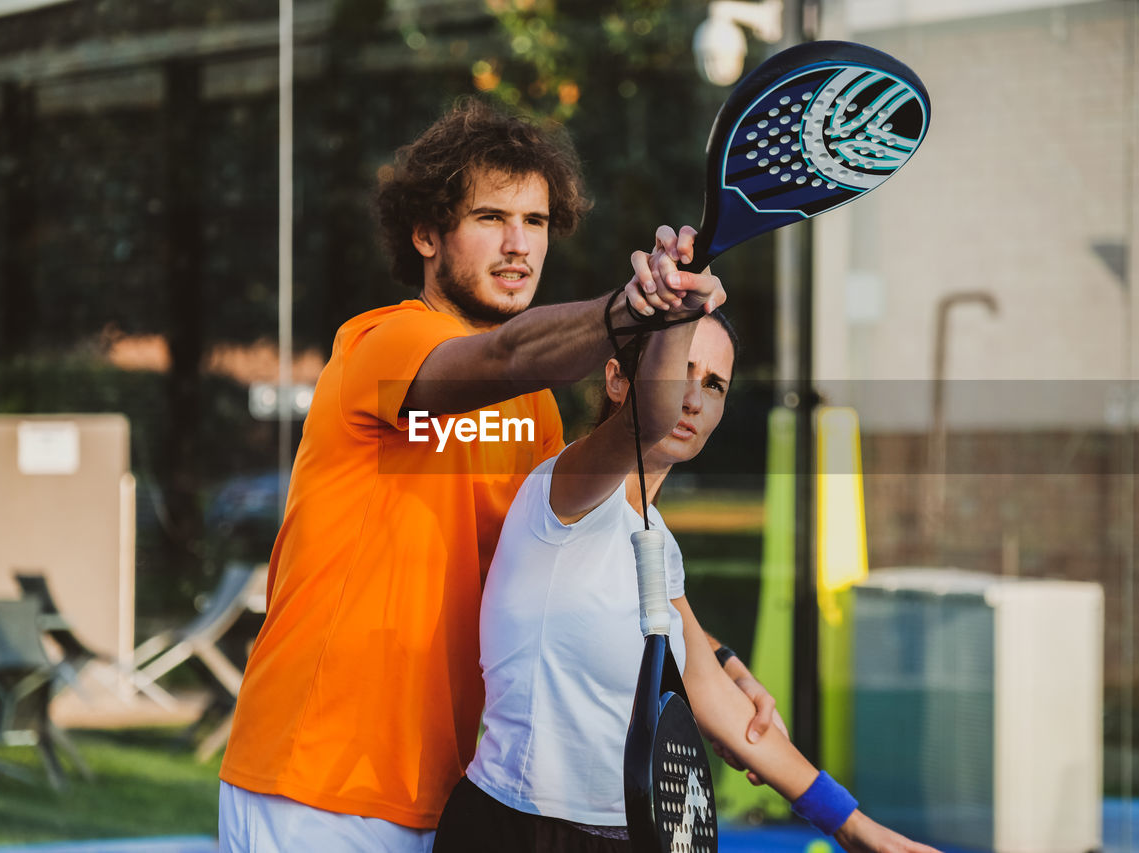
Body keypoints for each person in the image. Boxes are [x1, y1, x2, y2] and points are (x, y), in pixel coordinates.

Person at [217, 98, 777, 852]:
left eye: (537, 222)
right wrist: (632, 308)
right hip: (312, 782)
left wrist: (714, 657)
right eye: (490, 218)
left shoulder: (536, 411)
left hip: (444, 792)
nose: (518, 246)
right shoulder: (381, 344)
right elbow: (500, 355)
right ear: (425, 234)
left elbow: (576, 559)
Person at [431, 299, 944, 853]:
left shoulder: (659, 547)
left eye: (716, 384)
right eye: (678, 372)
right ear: (617, 378)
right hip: (517, 830)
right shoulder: (562, 491)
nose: (693, 399)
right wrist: (681, 293)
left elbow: (718, 702)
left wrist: (854, 827)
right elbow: (648, 418)